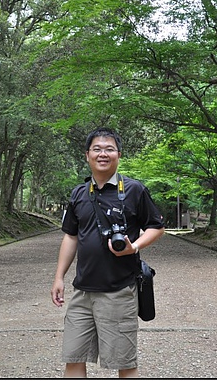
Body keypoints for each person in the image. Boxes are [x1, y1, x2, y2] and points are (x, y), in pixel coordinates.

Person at [51, 127, 165, 378]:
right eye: (97, 149)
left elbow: (156, 227)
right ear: (87, 155)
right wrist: (59, 277)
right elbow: (70, 236)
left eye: (109, 149)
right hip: (82, 292)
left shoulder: (134, 190)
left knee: (124, 362)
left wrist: (134, 247)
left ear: (118, 154)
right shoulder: (79, 193)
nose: (103, 153)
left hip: (119, 290)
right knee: (73, 358)